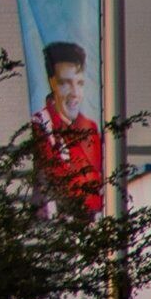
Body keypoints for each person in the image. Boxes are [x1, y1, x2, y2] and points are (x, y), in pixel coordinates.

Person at [35, 39, 105, 212]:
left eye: (79, 83)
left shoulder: (90, 128)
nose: (75, 93)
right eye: (65, 83)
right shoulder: (41, 127)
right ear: (52, 83)